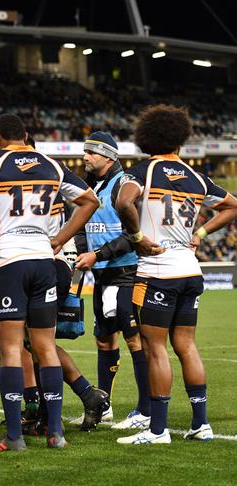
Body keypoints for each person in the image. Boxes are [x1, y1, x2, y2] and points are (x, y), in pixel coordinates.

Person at [0, 113, 99, 450]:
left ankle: (15, 437)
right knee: (45, 347)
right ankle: (56, 433)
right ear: (27, 135)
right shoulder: (52, 164)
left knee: (11, 351)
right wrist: (60, 238)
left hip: (8, 261)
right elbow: (90, 200)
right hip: (43, 260)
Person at [115, 104, 237, 444]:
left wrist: (139, 238)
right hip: (190, 269)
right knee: (187, 346)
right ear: (180, 140)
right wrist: (200, 234)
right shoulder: (197, 176)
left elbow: (124, 202)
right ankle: (201, 424)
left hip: (157, 271)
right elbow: (232, 205)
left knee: (156, 350)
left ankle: (158, 430)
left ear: (146, 138)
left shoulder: (143, 171)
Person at [73, 131, 151, 430]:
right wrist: (83, 253)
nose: (85, 157)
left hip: (126, 272)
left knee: (134, 339)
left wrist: (98, 254)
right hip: (102, 274)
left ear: (107, 156)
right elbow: (81, 225)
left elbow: (133, 235)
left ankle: (145, 410)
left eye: (90, 153)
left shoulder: (123, 185)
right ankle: (103, 406)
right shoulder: (93, 187)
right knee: (104, 339)